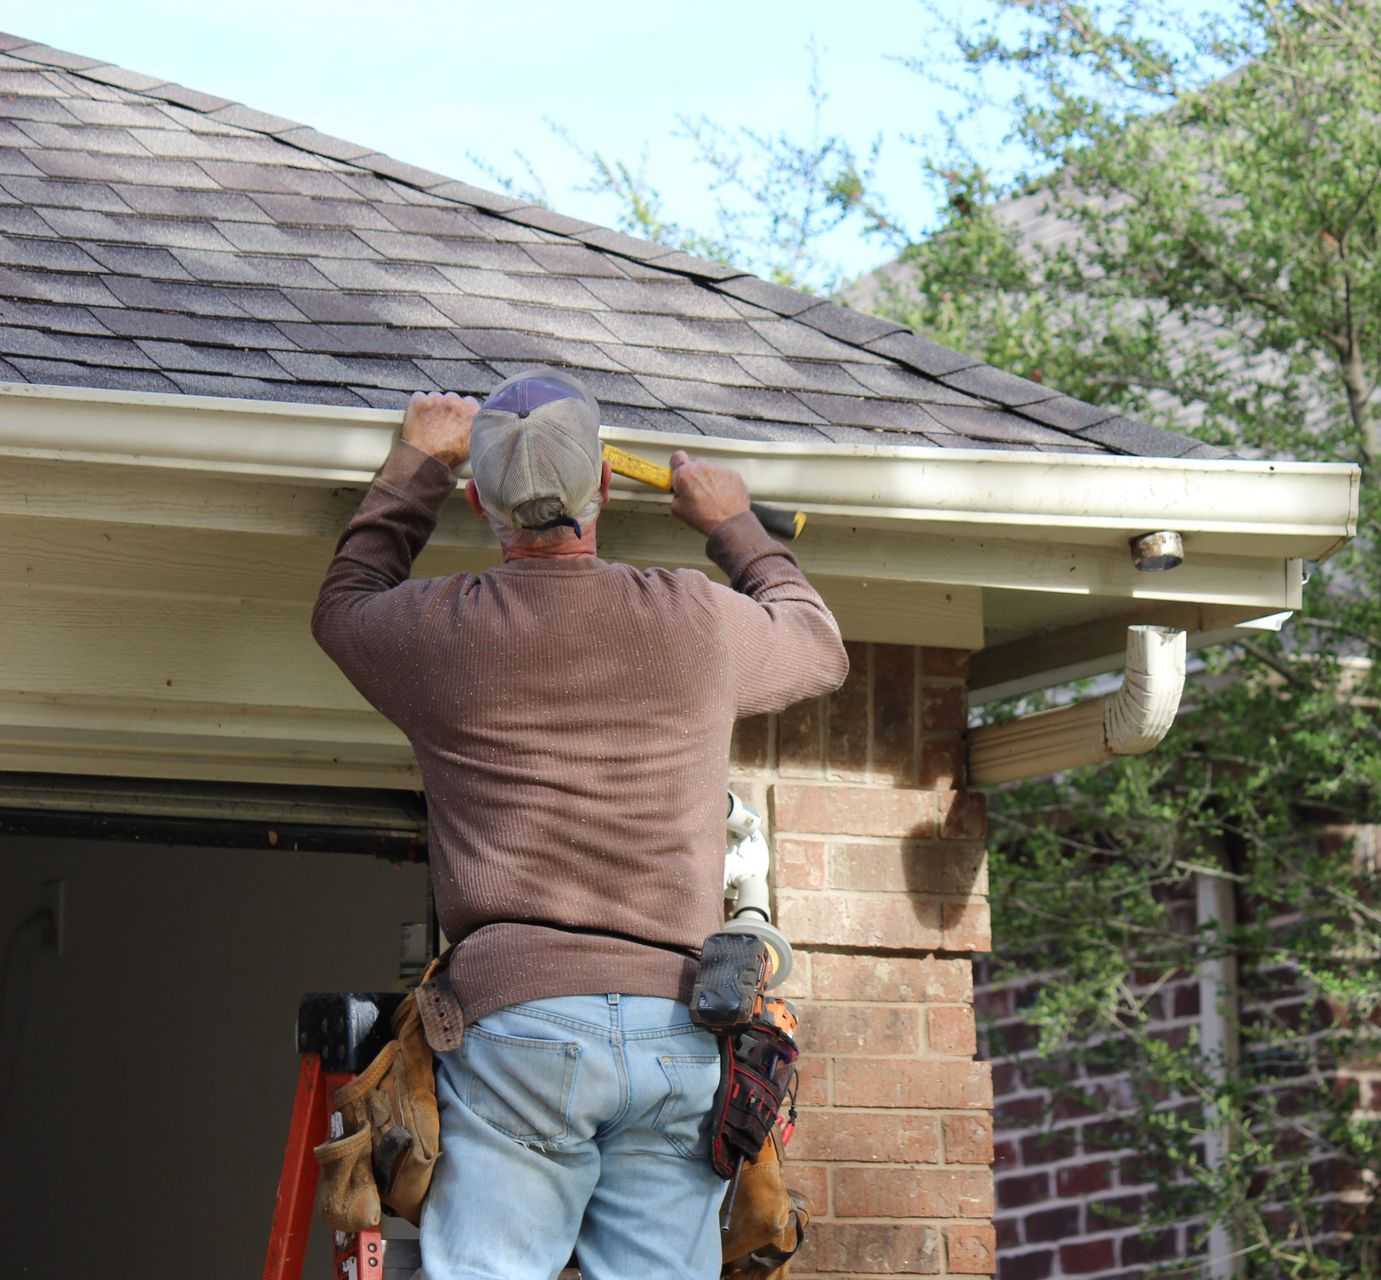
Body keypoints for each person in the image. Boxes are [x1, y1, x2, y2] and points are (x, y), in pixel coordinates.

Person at [312, 368, 848, 1280]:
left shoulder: (440, 629)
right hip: (680, 1026)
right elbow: (815, 644)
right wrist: (730, 522)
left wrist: (415, 466)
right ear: (603, 484)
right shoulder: (692, 618)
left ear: (479, 497)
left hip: (520, 1026)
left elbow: (344, 604)